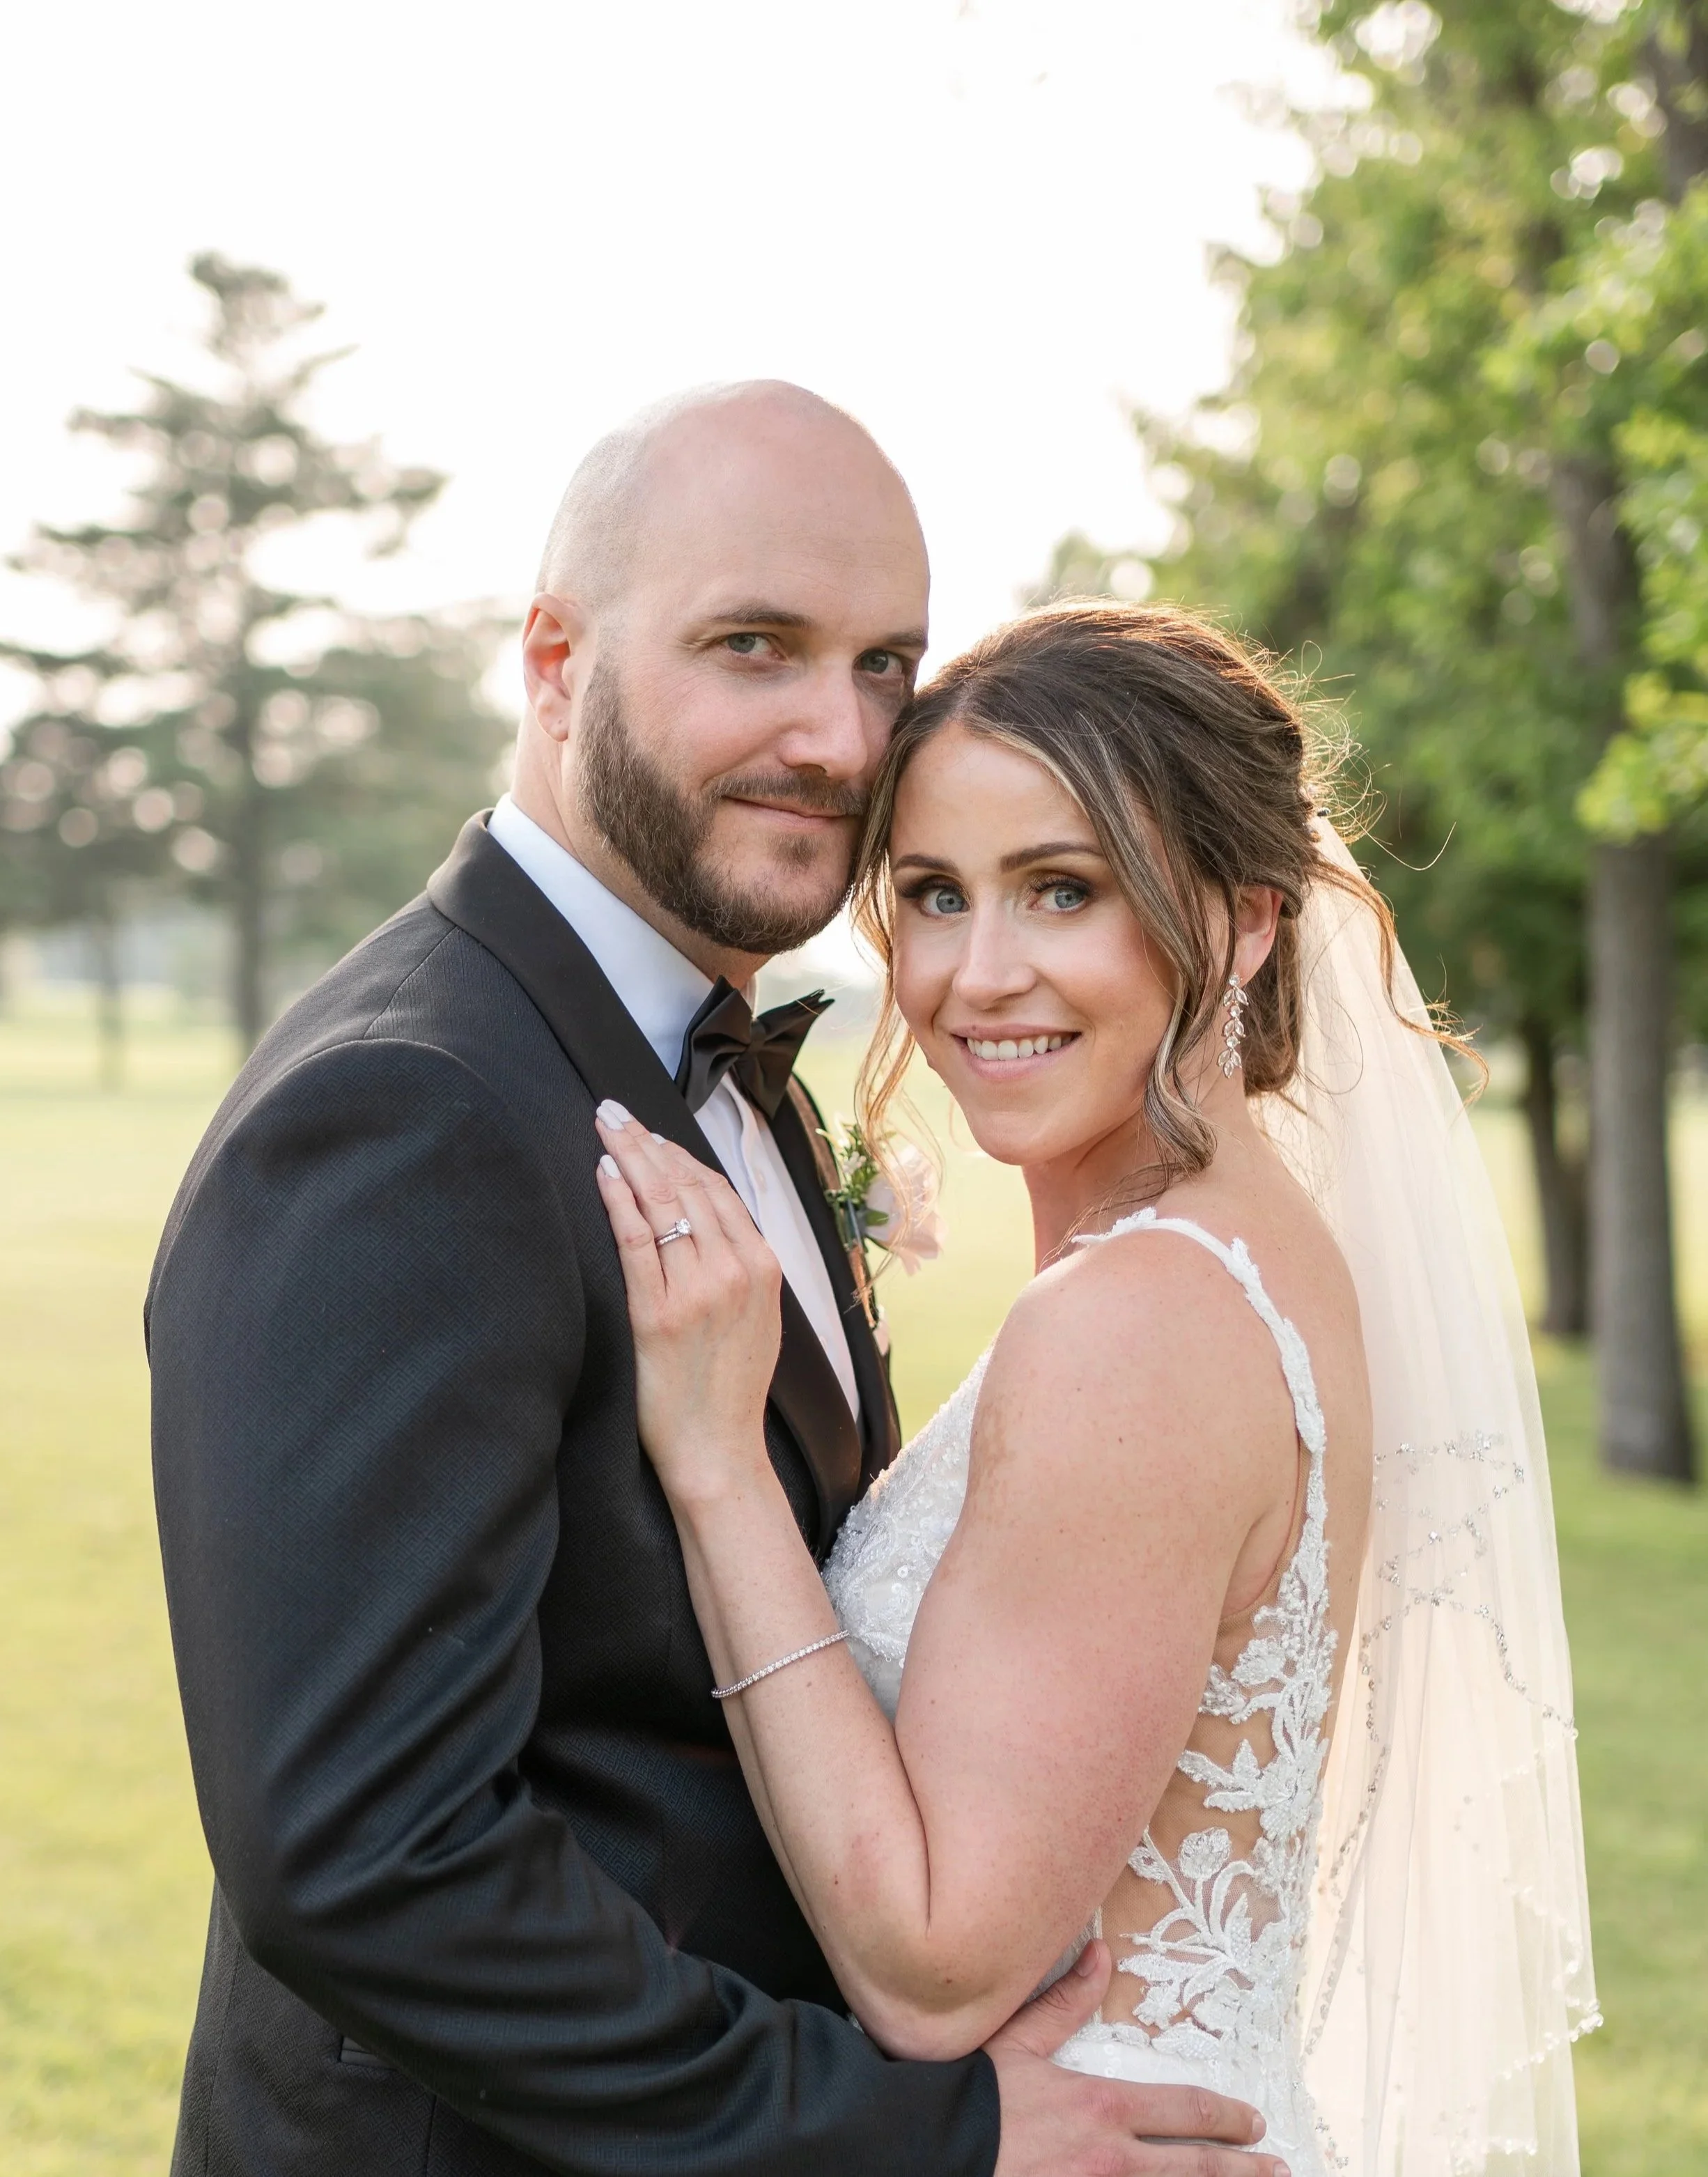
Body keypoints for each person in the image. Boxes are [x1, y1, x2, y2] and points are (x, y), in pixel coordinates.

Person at [147, 387, 1281, 2177]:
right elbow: (370, 1860)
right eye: (752, 647)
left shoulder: (714, 1058)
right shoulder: (404, 1112)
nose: (836, 734)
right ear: (552, 661)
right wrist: (915, 2128)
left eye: (884, 663)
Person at [592, 603, 1599, 2177]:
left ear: (1245, 923)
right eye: (930, 895)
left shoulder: (1135, 1318)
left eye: (1060, 889)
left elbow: (933, 1966)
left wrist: (718, 1465)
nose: (976, 976)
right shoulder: (1256, 1248)